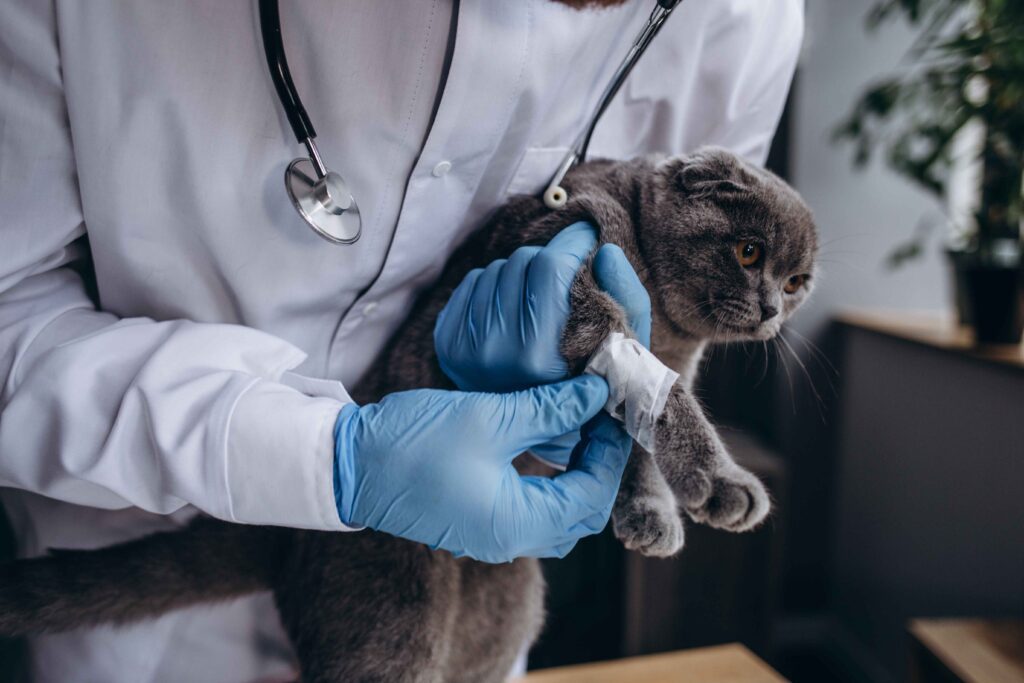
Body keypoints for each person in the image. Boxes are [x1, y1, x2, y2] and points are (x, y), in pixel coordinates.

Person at [0, 1, 803, 681]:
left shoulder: (746, 20)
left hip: (475, 596)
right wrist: (324, 457)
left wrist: (616, 435)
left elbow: (692, 303)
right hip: (153, 596)